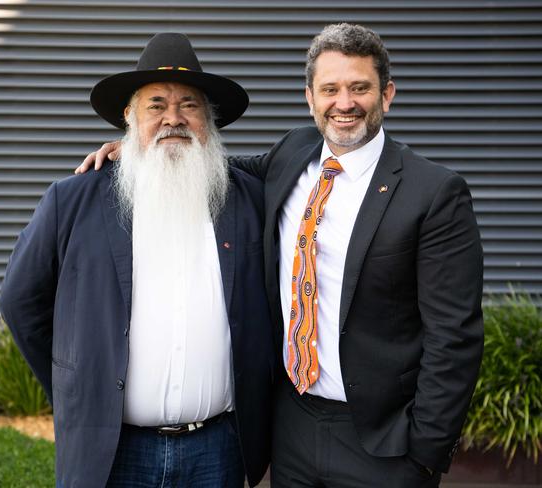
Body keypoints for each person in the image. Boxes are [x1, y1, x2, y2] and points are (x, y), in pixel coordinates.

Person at [77, 23, 485, 488]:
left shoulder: (434, 193)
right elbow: (207, 164)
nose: (344, 103)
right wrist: (138, 148)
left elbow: (455, 338)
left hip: (384, 443)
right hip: (293, 428)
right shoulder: (292, 155)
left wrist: (426, 454)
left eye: (359, 88)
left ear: (386, 95)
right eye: (330, 89)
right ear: (310, 98)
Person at [0, 32, 276, 488]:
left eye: (189, 105)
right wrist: (78, 386)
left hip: (219, 448)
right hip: (113, 450)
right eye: (156, 106)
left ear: (208, 120)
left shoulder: (249, 200)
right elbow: (20, 302)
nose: (174, 118)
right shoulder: (72, 201)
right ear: (128, 118)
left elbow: (306, 147)